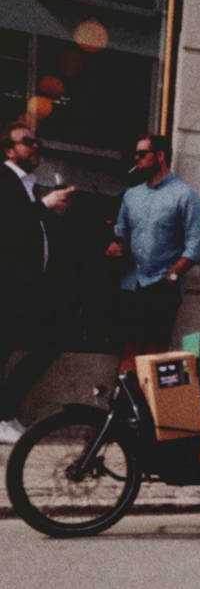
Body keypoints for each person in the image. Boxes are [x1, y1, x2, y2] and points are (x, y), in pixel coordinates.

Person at [105, 134, 200, 369]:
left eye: (142, 153)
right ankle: (124, 404)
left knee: (154, 355)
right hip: (131, 284)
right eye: (136, 154)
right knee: (127, 349)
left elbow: (198, 245)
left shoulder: (185, 196)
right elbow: (120, 232)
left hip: (161, 287)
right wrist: (116, 246)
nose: (137, 158)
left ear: (160, 156)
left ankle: (149, 404)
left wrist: (171, 277)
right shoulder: (132, 196)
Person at [0, 121, 75, 443]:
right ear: (9, 150)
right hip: (8, 284)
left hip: (30, 287)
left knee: (51, 340)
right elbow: (9, 225)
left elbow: (30, 227)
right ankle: (2, 417)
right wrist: (43, 206)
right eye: (27, 142)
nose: (35, 148)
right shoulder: (4, 178)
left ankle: (5, 413)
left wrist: (48, 212)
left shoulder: (29, 185)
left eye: (37, 143)